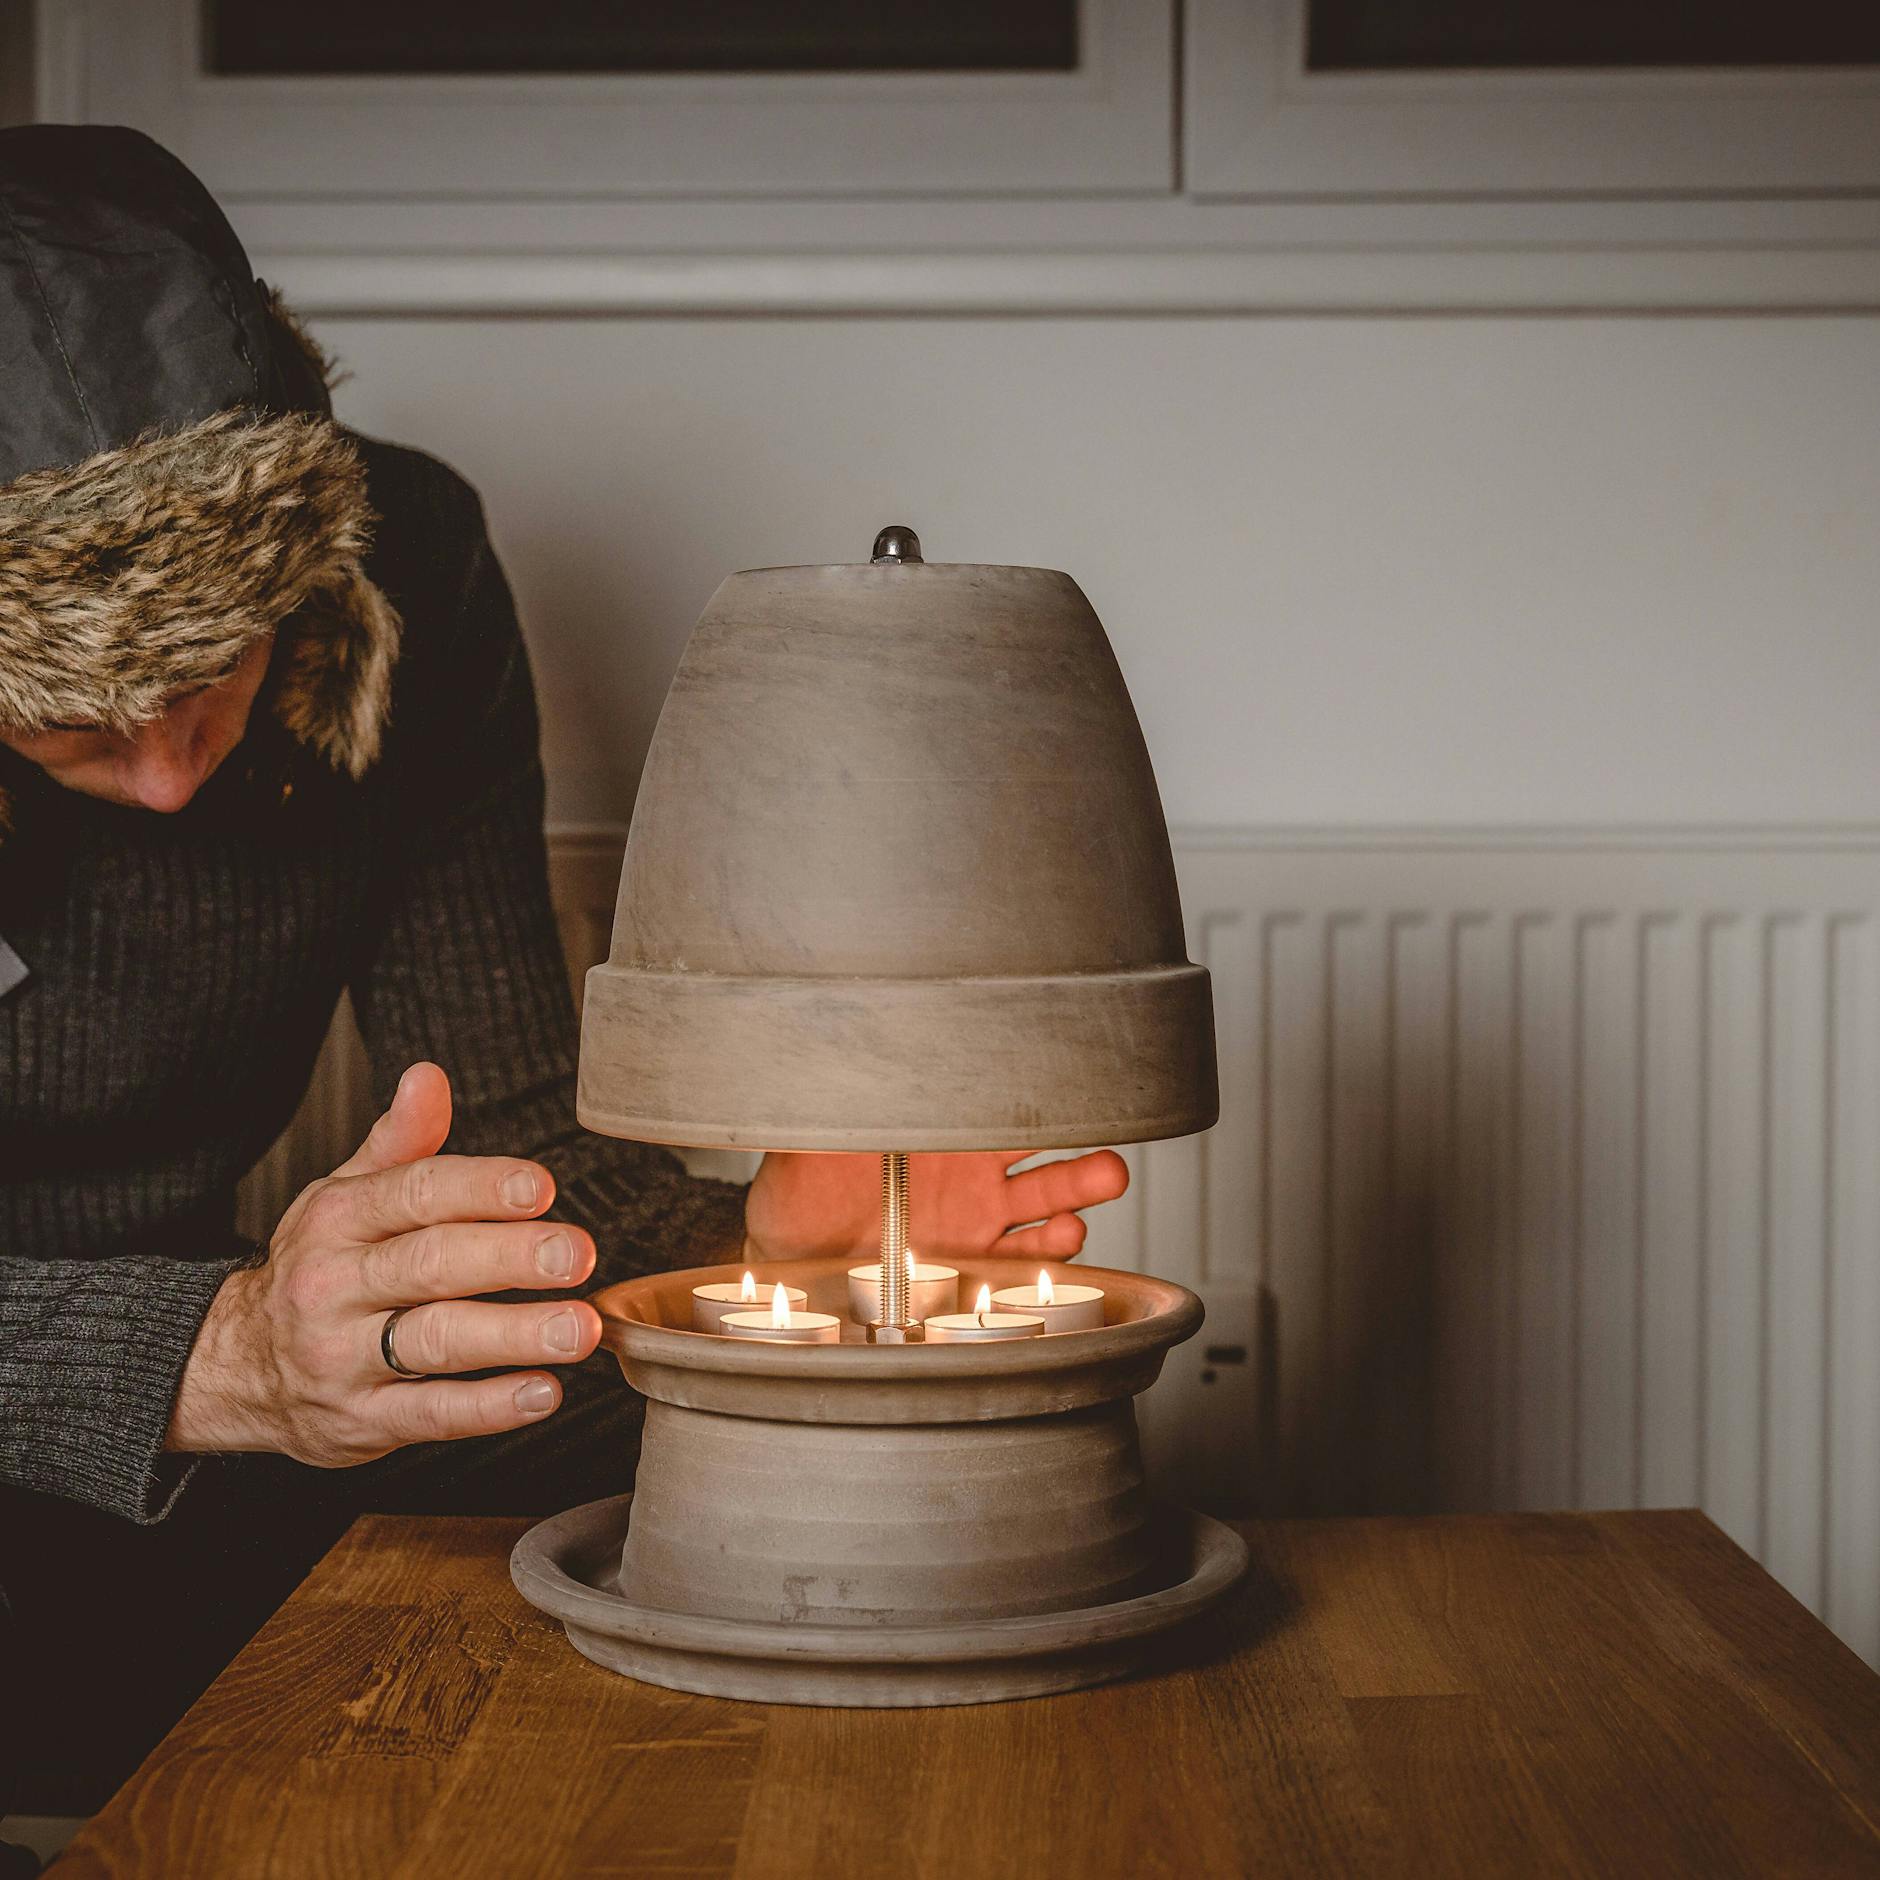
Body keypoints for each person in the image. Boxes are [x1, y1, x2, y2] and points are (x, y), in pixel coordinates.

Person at [0, 125, 1128, 1808]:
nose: (171, 778)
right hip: (146, 1370)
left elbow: (511, 1131)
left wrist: (769, 1247)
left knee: (654, 1498)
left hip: (207, 1385)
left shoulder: (414, 566)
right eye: (77, 716)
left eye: (213, 679)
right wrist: (221, 1355)